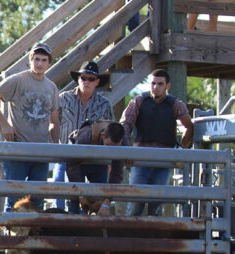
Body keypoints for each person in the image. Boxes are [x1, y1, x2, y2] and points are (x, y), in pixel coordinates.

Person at [0, 42, 60, 212]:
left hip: (40, 151)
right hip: (17, 148)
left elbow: (54, 120)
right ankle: (11, 236)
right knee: (14, 199)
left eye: (43, 60)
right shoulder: (18, 80)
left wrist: (56, 143)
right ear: (30, 60)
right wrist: (5, 124)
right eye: (36, 59)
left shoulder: (51, 87)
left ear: (49, 63)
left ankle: (34, 237)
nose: (39, 63)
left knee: (37, 199)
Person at [120, 69, 194, 216]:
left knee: (156, 204)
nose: (155, 87)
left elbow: (189, 125)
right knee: (135, 203)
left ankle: (152, 237)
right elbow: (125, 124)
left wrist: (182, 149)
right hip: (141, 158)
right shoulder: (139, 101)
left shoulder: (175, 104)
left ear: (167, 85)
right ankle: (130, 235)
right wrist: (128, 151)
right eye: (153, 83)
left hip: (164, 159)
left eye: (160, 84)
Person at [56, 61, 114, 210]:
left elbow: (111, 132)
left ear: (97, 82)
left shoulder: (104, 104)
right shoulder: (63, 99)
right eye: (83, 78)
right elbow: (53, 122)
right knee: (64, 194)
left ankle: (90, 230)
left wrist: (109, 161)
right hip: (67, 155)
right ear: (78, 79)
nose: (86, 81)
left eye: (91, 79)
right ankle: (62, 225)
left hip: (95, 158)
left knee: (96, 200)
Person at [66, 120, 127, 215]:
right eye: (108, 146)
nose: (111, 152)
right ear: (103, 136)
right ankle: (73, 224)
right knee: (74, 200)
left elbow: (116, 174)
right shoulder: (85, 137)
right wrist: (80, 195)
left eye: (115, 149)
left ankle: (96, 225)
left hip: (100, 164)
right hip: (79, 164)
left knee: (99, 198)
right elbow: (71, 165)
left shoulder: (123, 144)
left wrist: (106, 204)